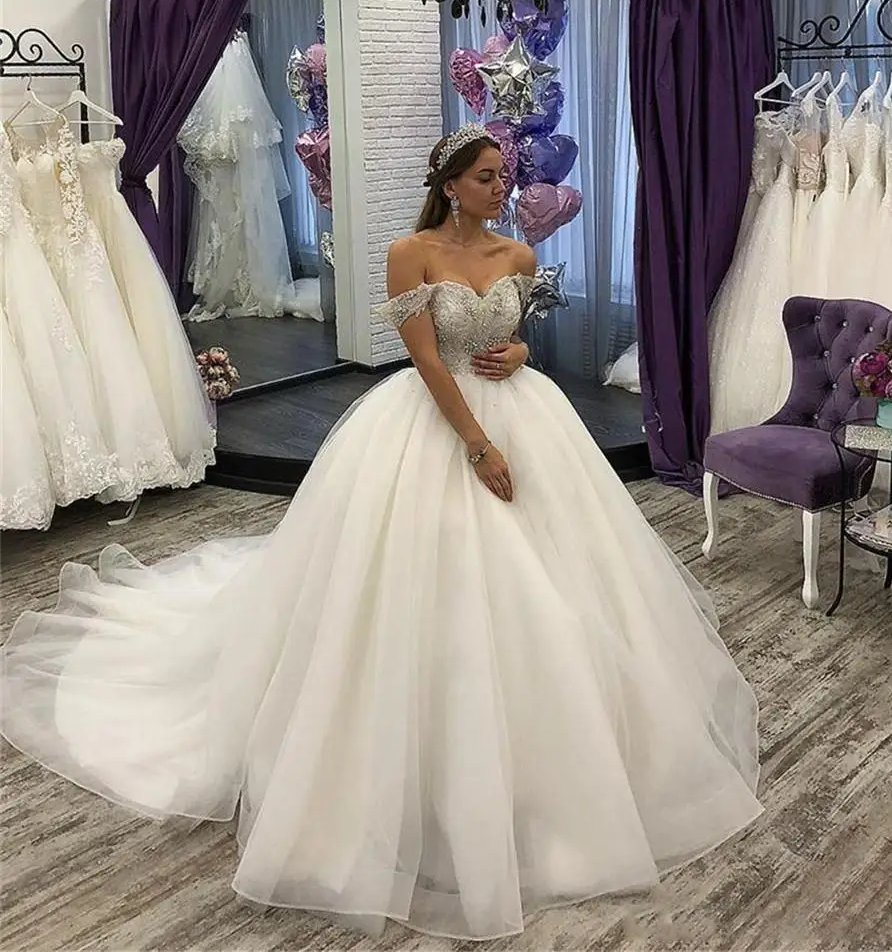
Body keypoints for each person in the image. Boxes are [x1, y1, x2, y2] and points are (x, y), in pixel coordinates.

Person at [0, 124, 762, 942]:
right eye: (485, 176)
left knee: (557, 584)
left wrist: (518, 352)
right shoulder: (410, 252)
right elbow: (428, 358)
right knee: (412, 581)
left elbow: (512, 335)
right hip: (439, 422)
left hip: (527, 418)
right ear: (450, 183)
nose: (500, 187)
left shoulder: (518, 254)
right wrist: (476, 442)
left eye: (503, 175)